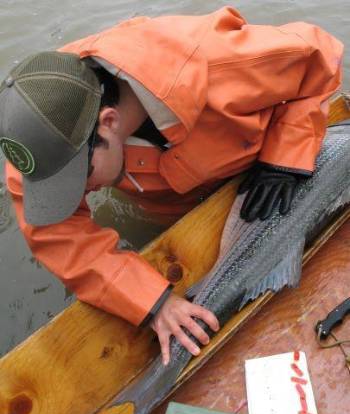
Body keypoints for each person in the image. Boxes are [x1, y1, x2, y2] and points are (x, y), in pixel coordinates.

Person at [0, 6, 343, 365]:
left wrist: (285, 159)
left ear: (109, 122)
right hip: (170, 201)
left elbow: (320, 58)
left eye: (80, 180)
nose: (79, 193)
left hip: (263, 175)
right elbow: (56, 234)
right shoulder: (43, 140)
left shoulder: (220, 63)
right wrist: (152, 302)